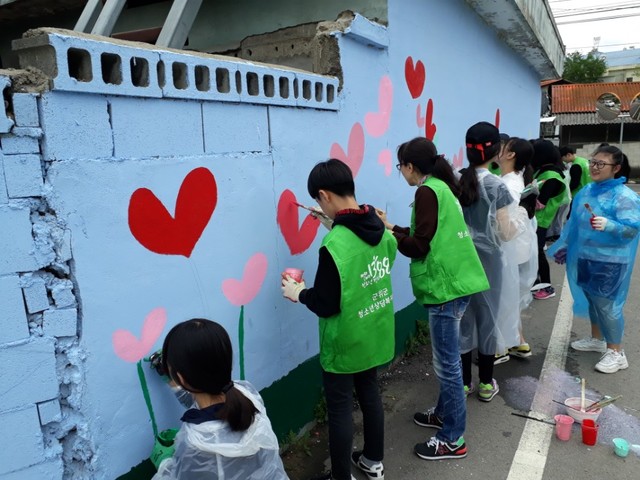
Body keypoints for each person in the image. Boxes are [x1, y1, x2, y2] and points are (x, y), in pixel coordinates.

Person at [281, 158, 397, 480]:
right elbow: (370, 254)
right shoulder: (381, 230)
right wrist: (333, 223)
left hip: (345, 342)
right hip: (374, 332)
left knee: (341, 409)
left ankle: (341, 477)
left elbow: (326, 304)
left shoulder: (333, 245)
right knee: (370, 394)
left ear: (324, 195)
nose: (320, 207)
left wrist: (299, 292)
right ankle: (373, 461)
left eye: (319, 201)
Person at [376, 137, 488, 461]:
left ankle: (453, 438)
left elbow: (419, 246)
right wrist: (391, 226)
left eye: (401, 167)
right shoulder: (440, 187)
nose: (401, 173)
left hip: (445, 290)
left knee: (447, 366)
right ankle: (443, 414)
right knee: (448, 362)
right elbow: (425, 233)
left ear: (411, 167)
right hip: (457, 284)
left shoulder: (426, 191)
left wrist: (385, 236)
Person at [153, 319, 288, 479]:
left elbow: (177, 476)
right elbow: (202, 399)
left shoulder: (195, 446)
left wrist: (164, 462)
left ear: (182, 379)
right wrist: (174, 383)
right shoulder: (245, 392)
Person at [548, 145, 640, 373]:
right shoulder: (587, 191)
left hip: (611, 262)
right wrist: (566, 246)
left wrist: (611, 225)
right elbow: (572, 224)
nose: (594, 167)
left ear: (616, 168)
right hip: (586, 256)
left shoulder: (624, 196)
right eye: (593, 162)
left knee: (607, 306)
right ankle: (598, 340)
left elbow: (631, 230)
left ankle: (617, 352)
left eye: (601, 164)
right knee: (593, 301)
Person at [458, 122, 523, 402]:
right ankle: (485, 383)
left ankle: (462, 383)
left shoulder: (457, 180)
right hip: (490, 264)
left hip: (461, 260)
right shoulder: (497, 186)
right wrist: (521, 221)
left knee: (462, 320)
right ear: (496, 151)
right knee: (487, 320)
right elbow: (505, 232)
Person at [495, 137, 539, 363]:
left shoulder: (508, 185)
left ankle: (500, 347)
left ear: (510, 155)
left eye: (503, 146)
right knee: (510, 298)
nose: (497, 149)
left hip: (509, 249)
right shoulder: (515, 180)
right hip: (519, 249)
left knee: (503, 298)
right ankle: (519, 342)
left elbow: (505, 226)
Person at [531, 139, 570, 300]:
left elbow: (540, 204)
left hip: (540, 221)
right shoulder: (544, 171)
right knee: (534, 253)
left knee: (538, 253)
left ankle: (547, 286)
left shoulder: (552, 176)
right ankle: (536, 282)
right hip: (535, 220)